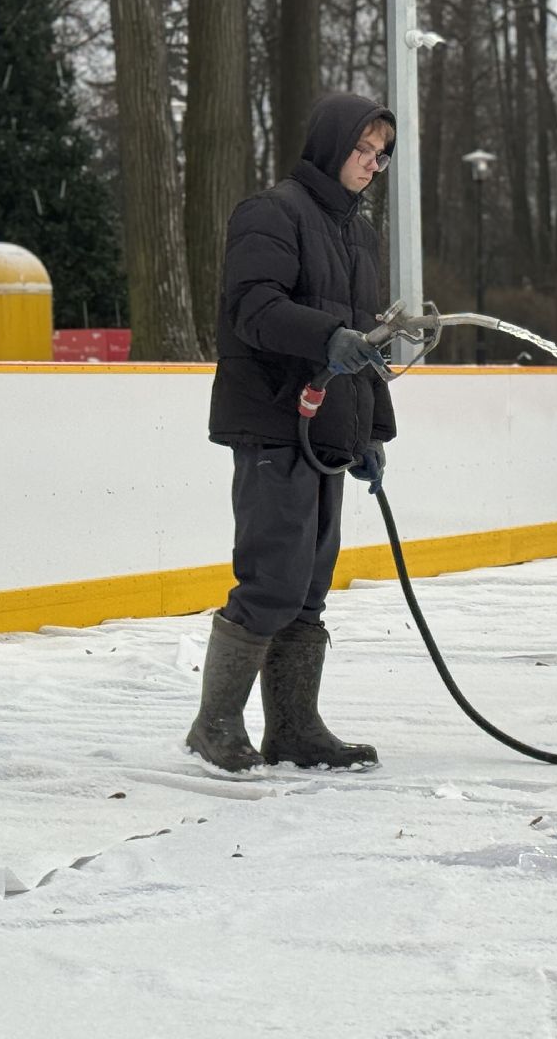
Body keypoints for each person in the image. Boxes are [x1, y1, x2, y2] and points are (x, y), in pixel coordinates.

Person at [188, 92, 397, 773]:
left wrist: (373, 431)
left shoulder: (358, 234)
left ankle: (295, 729)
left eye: (380, 154)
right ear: (331, 145)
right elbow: (254, 309)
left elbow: (365, 345)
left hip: (330, 430)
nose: (371, 164)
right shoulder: (270, 213)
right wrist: (326, 336)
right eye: (362, 150)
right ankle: (215, 725)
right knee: (272, 580)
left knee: (308, 586)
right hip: (274, 421)